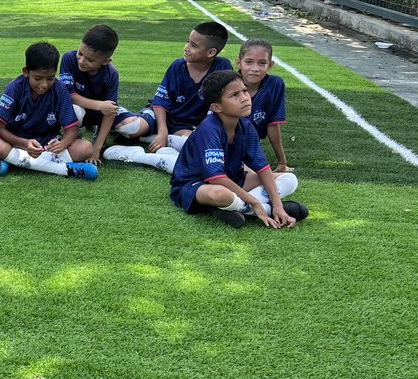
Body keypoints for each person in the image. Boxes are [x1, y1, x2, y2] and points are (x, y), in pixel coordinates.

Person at [169, 69, 308, 229]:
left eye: (244, 91)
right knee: (220, 194)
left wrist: (277, 205)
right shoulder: (209, 129)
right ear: (216, 107)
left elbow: (263, 168)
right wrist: (255, 202)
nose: (245, 98)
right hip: (195, 185)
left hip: (233, 179)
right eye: (234, 95)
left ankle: (234, 208)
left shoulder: (246, 126)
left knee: (289, 179)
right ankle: (261, 209)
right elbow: (216, 178)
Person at [113, 21, 233, 153]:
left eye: (193, 45)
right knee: (131, 128)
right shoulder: (177, 66)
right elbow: (160, 101)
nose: (186, 47)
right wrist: (162, 131)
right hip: (162, 116)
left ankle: (147, 138)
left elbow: (221, 103)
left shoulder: (222, 67)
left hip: (187, 126)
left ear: (211, 52)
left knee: (196, 144)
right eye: (188, 41)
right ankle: (111, 113)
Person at [0, 42, 98, 179]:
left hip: (48, 145)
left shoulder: (60, 89)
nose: (44, 84)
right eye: (38, 78)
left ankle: (17, 162)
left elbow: (72, 130)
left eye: (50, 78)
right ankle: (63, 169)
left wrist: (62, 144)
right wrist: (25, 144)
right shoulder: (14, 88)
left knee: (86, 148)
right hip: (18, 143)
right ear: (26, 72)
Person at [58, 24, 143, 163]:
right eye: (80, 53)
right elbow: (68, 96)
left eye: (90, 60)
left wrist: (96, 149)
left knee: (133, 127)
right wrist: (100, 105)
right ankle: (74, 138)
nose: (82, 61)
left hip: (101, 113)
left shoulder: (112, 74)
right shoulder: (69, 58)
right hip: (85, 108)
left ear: (106, 61)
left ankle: (148, 116)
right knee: (74, 110)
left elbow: (110, 111)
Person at [237, 38, 291, 172]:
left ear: (270, 65)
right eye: (249, 62)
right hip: (224, 142)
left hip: (252, 144)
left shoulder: (274, 84)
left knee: (287, 179)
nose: (255, 69)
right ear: (239, 63)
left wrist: (282, 162)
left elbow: (272, 124)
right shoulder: (228, 83)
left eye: (262, 63)